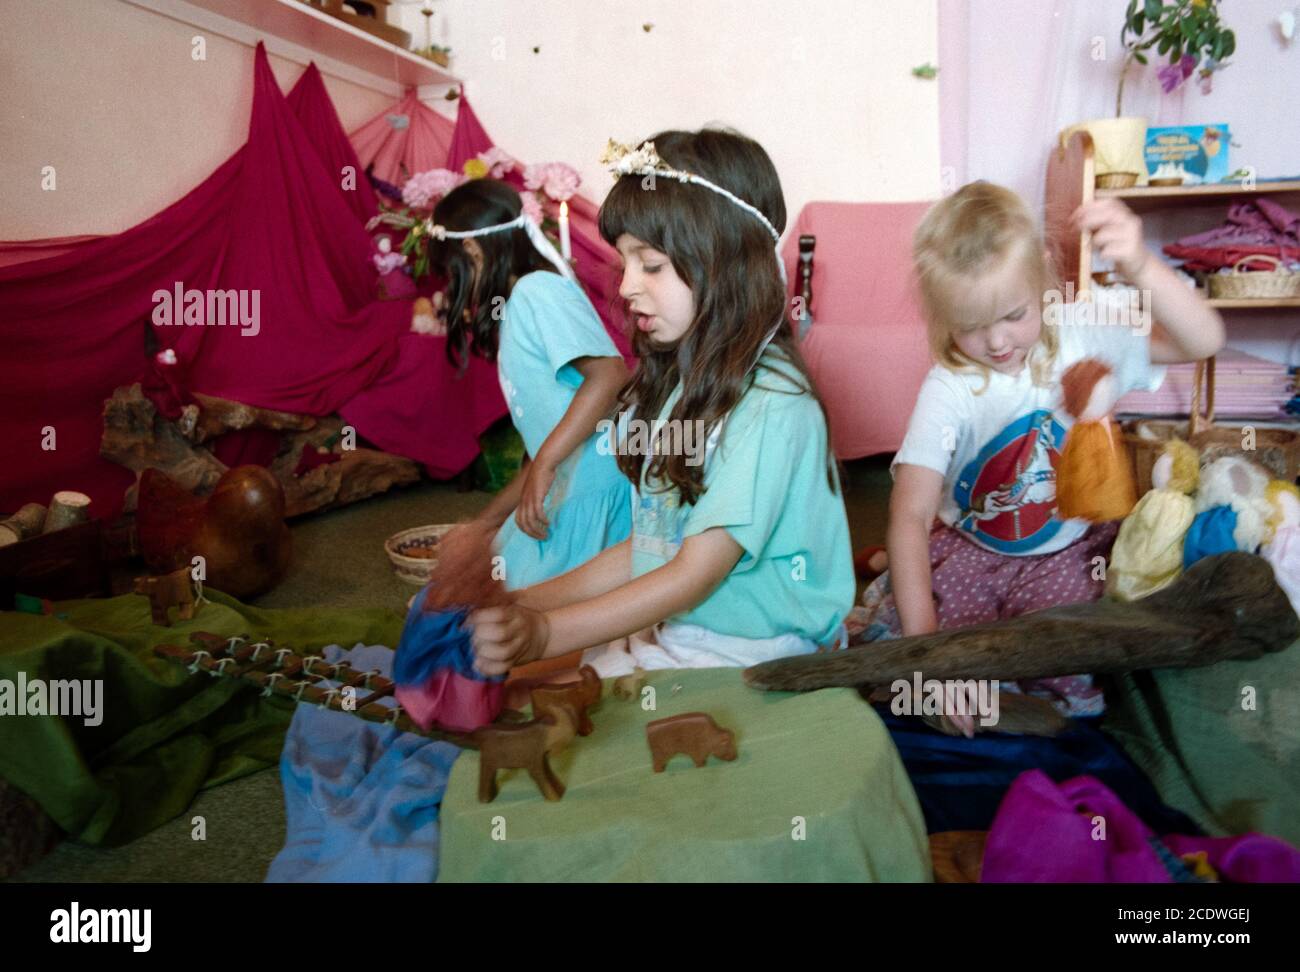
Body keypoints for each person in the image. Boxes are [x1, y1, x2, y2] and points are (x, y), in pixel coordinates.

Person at [467, 128, 855, 677]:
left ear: (723, 262)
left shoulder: (773, 405)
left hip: (753, 650)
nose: (626, 286)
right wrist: (527, 603)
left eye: (650, 265)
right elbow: (650, 547)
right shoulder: (682, 383)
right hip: (681, 626)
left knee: (542, 710)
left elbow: (693, 573)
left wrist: (546, 633)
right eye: (625, 263)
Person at [862, 181, 1225, 732]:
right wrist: (927, 658)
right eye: (970, 326)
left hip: (1065, 551)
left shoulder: (1081, 333)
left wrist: (1140, 265)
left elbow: (1203, 340)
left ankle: (1037, 710)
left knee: (1070, 642)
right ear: (941, 318)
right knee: (952, 640)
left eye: (1013, 314)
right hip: (972, 549)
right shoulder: (950, 387)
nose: (998, 342)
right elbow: (909, 516)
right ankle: (977, 692)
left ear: (1044, 282)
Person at [427, 179, 631, 590]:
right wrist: (481, 525)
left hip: (588, 494)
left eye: (451, 274)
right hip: (563, 489)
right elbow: (542, 451)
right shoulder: (520, 300)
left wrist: (546, 463)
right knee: (469, 593)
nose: (452, 288)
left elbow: (610, 374)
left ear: (472, 252)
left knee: (488, 613)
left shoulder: (536, 291)